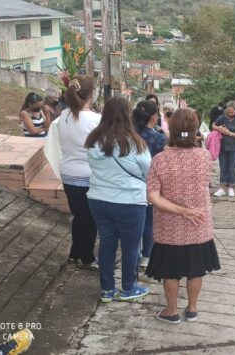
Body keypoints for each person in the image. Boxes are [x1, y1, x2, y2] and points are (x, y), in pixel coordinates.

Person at [145, 108, 221, 324]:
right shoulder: (205, 157)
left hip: (169, 228)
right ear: (195, 129)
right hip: (199, 224)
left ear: (172, 127)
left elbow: (152, 196)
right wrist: (188, 211)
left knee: (171, 272)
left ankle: (171, 311)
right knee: (196, 270)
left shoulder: (160, 160)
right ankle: (192, 309)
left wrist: (181, 210)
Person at [85, 97, 151, 302]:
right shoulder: (135, 142)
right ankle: (129, 288)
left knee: (106, 244)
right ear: (127, 115)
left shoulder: (93, 140)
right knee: (131, 246)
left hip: (98, 199)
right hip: (129, 202)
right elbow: (148, 171)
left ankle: (107, 290)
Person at [57, 76, 100, 270]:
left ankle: (75, 253)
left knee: (79, 216)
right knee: (89, 219)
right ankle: (87, 257)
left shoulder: (64, 116)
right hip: (89, 175)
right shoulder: (95, 119)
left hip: (68, 174)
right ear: (91, 94)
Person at [133, 100, 167, 269]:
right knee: (149, 221)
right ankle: (147, 255)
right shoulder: (159, 138)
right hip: (151, 184)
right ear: (154, 117)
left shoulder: (128, 134)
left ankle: (133, 253)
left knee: (133, 221)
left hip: (129, 183)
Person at [213, 101, 235, 197]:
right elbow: (213, 125)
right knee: (223, 168)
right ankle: (222, 187)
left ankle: (231, 187)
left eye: (231, 112)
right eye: (228, 111)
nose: (229, 114)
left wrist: (230, 133)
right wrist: (219, 128)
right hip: (222, 147)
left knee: (231, 168)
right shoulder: (223, 117)